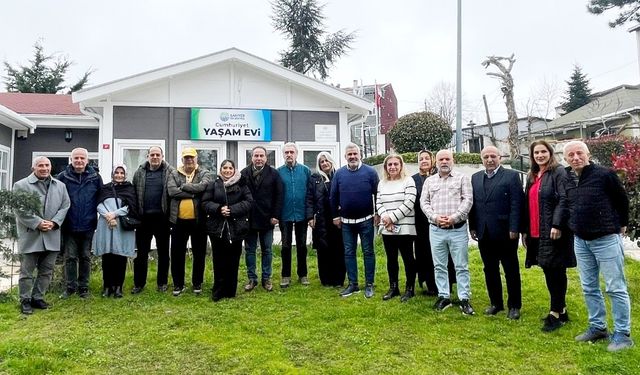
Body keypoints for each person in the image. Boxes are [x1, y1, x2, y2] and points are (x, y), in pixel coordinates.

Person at [563, 140, 633, 352]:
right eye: (571, 155)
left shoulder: (604, 175)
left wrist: (621, 224)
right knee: (589, 287)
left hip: (605, 239)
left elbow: (622, 201)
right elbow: (568, 203)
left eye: (579, 153)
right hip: (581, 240)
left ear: (588, 154)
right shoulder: (566, 178)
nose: (576, 158)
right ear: (566, 159)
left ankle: (623, 334)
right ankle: (598, 327)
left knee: (615, 287)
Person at [523, 140, 575, 332]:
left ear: (550, 153)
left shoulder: (558, 172)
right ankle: (561, 310)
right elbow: (528, 203)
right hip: (537, 232)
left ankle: (555, 312)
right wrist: (526, 231)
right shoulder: (532, 175)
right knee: (548, 269)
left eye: (543, 152)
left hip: (553, 230)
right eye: (536, 152)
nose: (540, 155)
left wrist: (557, 223)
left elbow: (564, 198)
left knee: (556, 271)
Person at [469, 146, 524, 320]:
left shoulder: (511, 176)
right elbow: (474, 205)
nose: (490, 159)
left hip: (506, 232)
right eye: (486, 157)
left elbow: (517, 204)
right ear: (482, 159)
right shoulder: (475, 178)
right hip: (484, 232)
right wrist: (473, 226)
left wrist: (515, 228)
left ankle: (514, 306)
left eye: (493, 156)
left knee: (511, 269)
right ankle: (496, 303)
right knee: (489, 269)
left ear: (500, 157)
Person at [420, 149, 475, 315]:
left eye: (447, 159)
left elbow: (468, 200)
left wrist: (454, 218)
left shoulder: (462, 178)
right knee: (439, 265)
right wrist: (435, 217)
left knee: (461, 265)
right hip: (436, 229)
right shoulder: (429, 181)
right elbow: (424, 202)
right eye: (441, 159)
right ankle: (444, 295)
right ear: (436, 162)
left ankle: (464, 297)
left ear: (453, 160)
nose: (444, 162)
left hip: (457, 229)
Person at [13, 157, 70, 314]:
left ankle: (38, 298)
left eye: (47, 165)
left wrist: (54, 222)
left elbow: (65, 206)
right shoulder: (20, 185)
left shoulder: (60, 186)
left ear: (50, 167)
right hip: (31, 235)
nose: (44, 168)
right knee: (26, 272)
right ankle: (25, 300)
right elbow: (19, 208)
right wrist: (38, 223)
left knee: (46, 270)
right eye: (40, 165)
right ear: (33, 168)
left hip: (52, 233)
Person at [330, 143, 379, 298]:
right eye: (349, 154)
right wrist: (335, 216)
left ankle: (369, 284)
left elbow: (378, 194)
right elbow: (333, 196)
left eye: (355, 154)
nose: (352, 157)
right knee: (349, 253)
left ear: (360, 155)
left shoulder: (370, 172)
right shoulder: (339, 174)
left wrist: (377, 213)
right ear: (345, 157)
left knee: (368, 252)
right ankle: (353, 284)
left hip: (366, 221)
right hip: (346, 222)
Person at [202, 159, 253, 302]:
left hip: (236, 228)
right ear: (220, 170)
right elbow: (205, 203)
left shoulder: (241, 184)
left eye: (230, 168)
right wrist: (219, 209)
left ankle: (230, 290)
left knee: (233, 260)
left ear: (234, 170)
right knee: (219, 260)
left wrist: (231, 210)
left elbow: (248, 202)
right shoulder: (213, 185)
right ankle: (218, 290)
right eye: (225, 168)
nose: (227, 170)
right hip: (217, 228)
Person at [57, 147, 103, 299]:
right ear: (71, 160)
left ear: (87, 160)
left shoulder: (95, 177)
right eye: (76, 158)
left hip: (88, 224)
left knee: (85, 257)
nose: (79, 161)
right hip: (69, 224)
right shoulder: (63, 177)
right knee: (69, 257)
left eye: (82, 158)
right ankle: (70, 288)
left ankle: (84, 288)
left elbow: (101, 198)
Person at [167, 148, 213, 296]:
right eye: (186, 158)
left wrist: (185, 187)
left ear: (196, 158)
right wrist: (194, 193)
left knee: (199, 253)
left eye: (191, 158)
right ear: (182, 160)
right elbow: (172, 191)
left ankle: (197, 283)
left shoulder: (204, 173)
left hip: (199, 221)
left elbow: (204, 187)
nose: (189, 160)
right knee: (176, 254)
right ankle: (178, 284)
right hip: (178, 221)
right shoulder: (174, 173)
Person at [412, 150, 457, 296]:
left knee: (443, 255)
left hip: (440, 222)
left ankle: (446, 285)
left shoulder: (439, 177)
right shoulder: (413, 180)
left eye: (427, 158)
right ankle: (430, 284)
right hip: (420, 225)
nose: (424, 161)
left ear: (433, 161)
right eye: (421, 159)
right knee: (424, 254)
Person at [240, 146, 284, 292]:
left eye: (261, 156)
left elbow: (279, 196)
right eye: (256, 156)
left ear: (266, 158)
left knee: (267, 250)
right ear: (251, 158)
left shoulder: (274, 174)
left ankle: (266, 279)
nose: (258, 158)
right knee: (250, 250)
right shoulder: (244, 174)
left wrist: (276, 216)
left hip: (267, 219)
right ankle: (252, 279)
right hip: (250, 219)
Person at [131, 146, 174, 294]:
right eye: (152, 155)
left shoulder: (170, 172)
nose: (155, 157)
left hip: (163, 219)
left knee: (163, 253)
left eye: (157, 154)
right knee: (141, 253)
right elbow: (134, 194)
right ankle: (139, 284)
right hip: (143, 220)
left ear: (162, 156)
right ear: (148, 156)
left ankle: (162, 283)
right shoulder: (140, 172)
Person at [376, 154, 417, 302]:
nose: (392, 167)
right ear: (386, 167)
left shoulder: (408, 181)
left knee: (408, 258)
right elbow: (379, 203)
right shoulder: (382, 183)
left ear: (401, 166)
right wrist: (386, 218)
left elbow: (409, 203)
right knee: (391, 259)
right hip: (388, 228)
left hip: (405, 228)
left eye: (395, 164)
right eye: (389, 165)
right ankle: (393, 287)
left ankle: (410, 288)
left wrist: (391, 218)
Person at [94, 164, 138, 298]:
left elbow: (131, 206)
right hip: (106, 224)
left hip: (121, 225)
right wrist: (107, 215)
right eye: (116, 172)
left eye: (122, 173)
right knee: (107, 256)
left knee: (120, 256)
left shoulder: (129, 189)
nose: (119, 175)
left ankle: (118, 287)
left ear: (125, 174)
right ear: (112, 174)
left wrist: (115, 214)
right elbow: (98, 204)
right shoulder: (105, 188)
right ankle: (107, 286)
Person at [306, 152, 346, 287]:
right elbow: (309, 199)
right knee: (323, 249)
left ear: (331, 161)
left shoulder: (340, 175)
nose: (324, 163)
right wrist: (310, 217)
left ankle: (339, 279)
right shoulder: (315, 178)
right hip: (321, 219)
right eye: (321, 162)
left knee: (338, 248)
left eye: (326, 160)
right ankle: (326, 279)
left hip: (337, 218)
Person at [277, 142, 312, 288]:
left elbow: (311, 193)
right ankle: (285, 275)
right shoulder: (278, 172)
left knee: (302, 246)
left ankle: (302, 275)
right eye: (286, 152)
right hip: (284, 214)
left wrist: (310, 214)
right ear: (283, 155)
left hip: (302, 214)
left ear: (297, 154)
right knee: (285, 246)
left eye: (292, 152)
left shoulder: (305, 171)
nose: (289, 155)